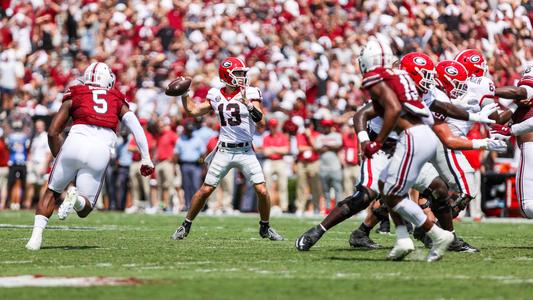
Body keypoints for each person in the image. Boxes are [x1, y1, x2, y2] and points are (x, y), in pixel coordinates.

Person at [25, 62, 154, 250]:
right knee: (84, 209)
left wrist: (59, 157)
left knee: (52, 191)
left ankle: (35, 239)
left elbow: (53, 132)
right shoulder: (116, 98)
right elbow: (135, 126)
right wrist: (146, 157)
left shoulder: (76, 92)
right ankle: (75, 198)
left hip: (75, 141)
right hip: (101, 148)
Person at [170, 57, 283, 241]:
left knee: (262, 191)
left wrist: (247, 104)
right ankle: (185, 225)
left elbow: (261, 121)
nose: (241, 77)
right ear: (226, 75)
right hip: (224, 150)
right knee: (206, 190)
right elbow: (193, 110)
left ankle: (265, 226)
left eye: (242, 73)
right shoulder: (215, 94)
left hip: (246, 150)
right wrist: (185, 95)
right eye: (237, 73)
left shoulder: (251, 92)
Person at [490, 66, 533, 218]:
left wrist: (489, 90)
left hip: (530, 147)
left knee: (526, 206)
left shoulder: (527, 86)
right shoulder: (522, 103)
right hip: (526, 147)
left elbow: (520, 92)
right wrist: (516, 105)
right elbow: (500, 120)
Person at [174, 122, 205, 210]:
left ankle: (197, 206)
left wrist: (203, 166)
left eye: (190, 130)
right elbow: (176, 153)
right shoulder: (181, 139)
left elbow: (203, 154)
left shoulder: (198, 139)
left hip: (196, 165)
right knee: (186, 186)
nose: (189, 132)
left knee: (196, 186)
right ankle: (188, 205)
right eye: (188, 130)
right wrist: (175, 166)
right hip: (184, 165)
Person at [262, 118, 290, 212]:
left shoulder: (282, 136)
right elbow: (266, 152)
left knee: (283, 185)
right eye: (272, 126)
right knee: (268, 185)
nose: (273, 127)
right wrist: (279, 149)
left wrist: (273, 149)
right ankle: (269, 206)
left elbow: (286, 150)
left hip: (280, 161)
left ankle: (284, 207)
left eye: (275, 126)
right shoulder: (266, 137)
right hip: (270, 161)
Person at [316, 119, 343, 212]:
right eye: (324, 126)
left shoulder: (337, 135)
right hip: (323, 167)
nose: (326, 128)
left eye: (328, 126)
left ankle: (338, 208)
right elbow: (318, 149)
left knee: (337, 188)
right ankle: (327, 208)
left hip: (335, 167)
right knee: (325, 189)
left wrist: (326, 146)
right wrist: (331, 146)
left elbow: (338, 146)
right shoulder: (319, 136)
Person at [25, 120, 52, 209]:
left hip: (41, 163)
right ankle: (28, 204)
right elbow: (31, 151)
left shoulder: (46, 136)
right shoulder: (34, 137)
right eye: (37, 126)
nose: (38, 127)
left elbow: (49, 153)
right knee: (30, 184)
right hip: (33, 163)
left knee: (43, 185)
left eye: (40, 126)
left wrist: (45, 166)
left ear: (44, 126)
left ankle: (41, 204)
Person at [153, 118, 178, 213]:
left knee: (168, 185)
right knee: (159, 186)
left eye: (160, 126)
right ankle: (161, 205)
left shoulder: (171, 134)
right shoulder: (158, 136)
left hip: (168, 163)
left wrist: (173, 158)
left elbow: (178, 146)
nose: (159, 128)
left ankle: (168, 205)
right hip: (159, 163)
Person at [6, 120, 30, 210]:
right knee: (14, 183)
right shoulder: (24, 136)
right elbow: (27, 147)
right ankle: (16, 202)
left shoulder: (11, 137)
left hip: (16, 162)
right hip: (18, 162)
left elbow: (8, 147)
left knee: (18, 183)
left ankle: (16, 202)